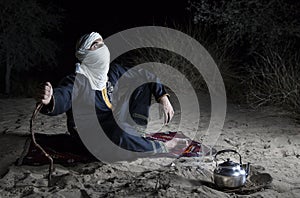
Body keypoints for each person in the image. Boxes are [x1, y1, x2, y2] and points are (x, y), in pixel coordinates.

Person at [34, 32, 184, 160]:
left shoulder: (112, 72)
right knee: (119, 135)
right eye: (96, 45)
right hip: (92, 133)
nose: (103, 48)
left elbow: (145, 75)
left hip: (113, 121)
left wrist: (162, 97)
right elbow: (63, 96)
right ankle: (160, 147)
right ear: (85, 54)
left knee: (141, 83)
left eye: (102, 44)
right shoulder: (77, 81)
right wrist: (49, 100)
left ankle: (136, 133)